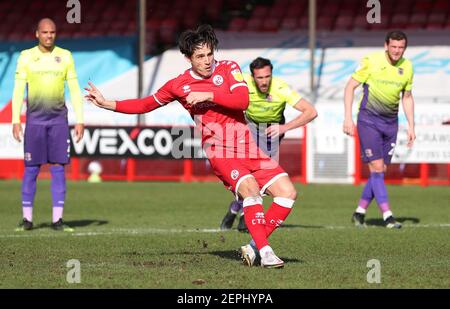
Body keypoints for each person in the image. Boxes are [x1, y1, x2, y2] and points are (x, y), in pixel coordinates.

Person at [85, 24, 306, 268]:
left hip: (247, 147)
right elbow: (146, 104)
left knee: (287, 193)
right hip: (220, 151)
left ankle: (254, 247)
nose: (207, 60)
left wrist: (209, 95)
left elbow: (242, 101)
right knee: (251, 191)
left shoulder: (229, 68)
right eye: (200, 56)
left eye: (210, 54)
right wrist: (107, 103)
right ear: (188, 58)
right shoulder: (178, 85)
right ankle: (265, 253)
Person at [220, 57, 317, 232]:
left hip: (272, 132)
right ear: (252, 76)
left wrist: (285, 127)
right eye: (259, 78)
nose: (264, 82)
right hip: (249, 128)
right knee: (250, 176)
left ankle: (235, 209)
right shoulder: (242, 84)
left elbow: (311, 111)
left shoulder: (280, 87)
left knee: (262, 179)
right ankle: (244, 215)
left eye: (267, 77)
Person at [12, 18, 84, 232]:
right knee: (31, 169)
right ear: (37, 34)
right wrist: (16, 119)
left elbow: (75, 89)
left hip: (58, 121)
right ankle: (27, 220)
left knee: (59, 168)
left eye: (52, 32)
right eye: (45, 32)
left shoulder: (65, 56)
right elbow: (17, 90)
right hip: (34, 121)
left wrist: (80, 119)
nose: (49, 36)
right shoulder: (26, 57)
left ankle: (57, 220)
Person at [343, 30, 415, 229]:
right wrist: (348, 118)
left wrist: (411, 125)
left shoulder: (407, 67)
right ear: (386, 45)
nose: (397, 51)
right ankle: (388, 215)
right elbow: (349, 87)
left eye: (401, 48)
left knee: (380, 169)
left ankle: (359, 212)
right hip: (368, 121)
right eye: (393, 47)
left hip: (391, 123)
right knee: (376, 167)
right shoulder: (371, 61)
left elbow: (407, 97)